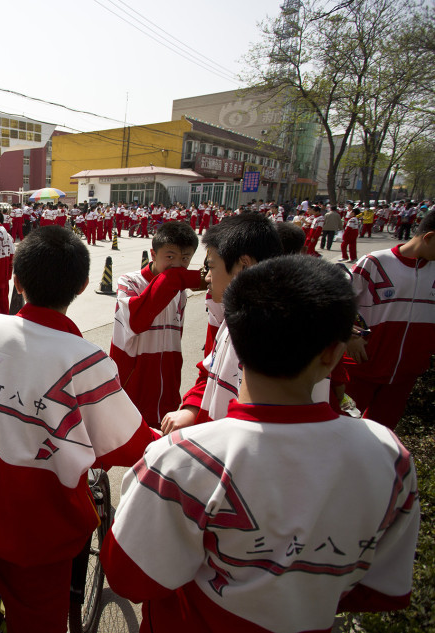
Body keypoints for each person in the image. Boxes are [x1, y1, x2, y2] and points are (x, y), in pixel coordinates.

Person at [103, 255, 420, 633]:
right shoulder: (389, 456)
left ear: (230, 339)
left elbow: (130, 578)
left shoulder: (183, 458)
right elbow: (380, 591)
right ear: (335, 354)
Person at [0, 226, 158, 633]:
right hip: (39, 529)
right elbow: (128, 446)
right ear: (82, 285)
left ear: (16, 279)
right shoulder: (85, 359)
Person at [161, 214, 283, 433]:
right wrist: (192, 410)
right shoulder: (232, 316)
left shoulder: (273, 335)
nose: (206, 277)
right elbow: (210, 372)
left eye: (212, 267)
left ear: (243, 265)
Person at [342, 211, 435, 429]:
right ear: (429, 237)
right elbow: (339, 303)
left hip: (405, 374)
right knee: (344, 430)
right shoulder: (375, 262)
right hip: (361, 368)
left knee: (383, 433)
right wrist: (348, 334)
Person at [110, 222, 203, 428]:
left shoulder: (179, 291)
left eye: (185, 258)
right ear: (153, 254)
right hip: (135, 381)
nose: (177, 265)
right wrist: (178, 278)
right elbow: (137, 321)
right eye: (170, 257)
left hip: (167, 379)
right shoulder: (129, 283)